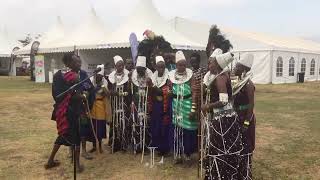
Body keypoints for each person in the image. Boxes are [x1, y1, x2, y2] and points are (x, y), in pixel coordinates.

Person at [45, 53, 90, 172]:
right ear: (68, 63)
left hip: (68, 111)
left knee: (63, 136)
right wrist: (81, 96)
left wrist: (83, 95)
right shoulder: (66, 76)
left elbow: (59, 95)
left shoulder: (69, 75)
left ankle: (50, 161)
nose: (79, 64)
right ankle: (77, 165)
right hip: (69, 112)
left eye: (79, 62)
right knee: (75, 137)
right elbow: (61, 95)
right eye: (76, 62)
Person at [201, 52, 243, 179]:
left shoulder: (220, 78)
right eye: (208, 63)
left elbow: (223, 101)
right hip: (227, 118)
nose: (209, 65)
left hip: (222, 120)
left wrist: (208, 106)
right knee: (224, 148)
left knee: (220, 148)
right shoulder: (223, 75)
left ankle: (221, 174)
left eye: (211, 63)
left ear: (218, 64)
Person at [169, 51, 198, 166]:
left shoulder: (191, 76)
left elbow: (195, 92)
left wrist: (193, 109)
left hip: (187, 104)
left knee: (188, 130)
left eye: (184, 65)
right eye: (180, 65)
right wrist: (170, 92)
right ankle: (178, 154)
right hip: (176, 106)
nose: (182, 67)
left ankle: (187, 154)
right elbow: (170, 89)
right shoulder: (171, 76)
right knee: (177, 130)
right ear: (176, 65)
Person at [233, 54, 256, 180]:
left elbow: (251, 105)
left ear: (243, 70)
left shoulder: (248, 85)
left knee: (246, 146)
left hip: (245, 119)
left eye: (237, 67)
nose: (234, 69)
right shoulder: (238, 83)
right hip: (237, 117)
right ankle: (238, 172)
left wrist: (246, 123)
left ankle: (246, 174)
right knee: (238, 145)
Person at [150, 56, 172, 163]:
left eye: (163, 67)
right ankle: (158, 147)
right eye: (159, 67)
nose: (161, 69)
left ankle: (165, 148)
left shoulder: (168, 77)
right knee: (156, 126)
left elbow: (163, 92)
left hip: (165, 105)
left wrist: (155, 89)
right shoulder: (153, 77)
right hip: (156, 106)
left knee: (164, 126)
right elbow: (152, 93)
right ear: (156, 67)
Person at [108, 55, 131, 153]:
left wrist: (122, 93)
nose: (121, 67)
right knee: (115, 123)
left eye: (122, 65)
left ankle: (124, 145)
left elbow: (129, 91)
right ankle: (115, 144)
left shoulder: (127, 75)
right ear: (115, 66)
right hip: (115, 103)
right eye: (118, 65)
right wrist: (113, 92)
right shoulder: (111, 77)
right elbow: (109, 90)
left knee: (123, 122)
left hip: (124, 103)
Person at [131, 56, 153, 154]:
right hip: (136, 103)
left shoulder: (149, 77)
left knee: (146, 124)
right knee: (136, 123)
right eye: (138, 70)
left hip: (146, 103)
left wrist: (150, 84)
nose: (139, 71)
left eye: (141, 70)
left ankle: (146, 146)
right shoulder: (133, 77)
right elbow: (131, 91)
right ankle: (137, 146)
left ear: (145, 69)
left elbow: (151, 91)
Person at [88, 64, 112, 153]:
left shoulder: (104, 83)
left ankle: (100, 146)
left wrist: (102, 87)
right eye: (97, 76)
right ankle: (94, 146)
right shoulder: (91, 81)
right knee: (93, 127)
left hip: (101, 106)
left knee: (100, 127)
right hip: (93, 106)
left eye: (100, 76)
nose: (99, 77)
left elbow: (108, 95)